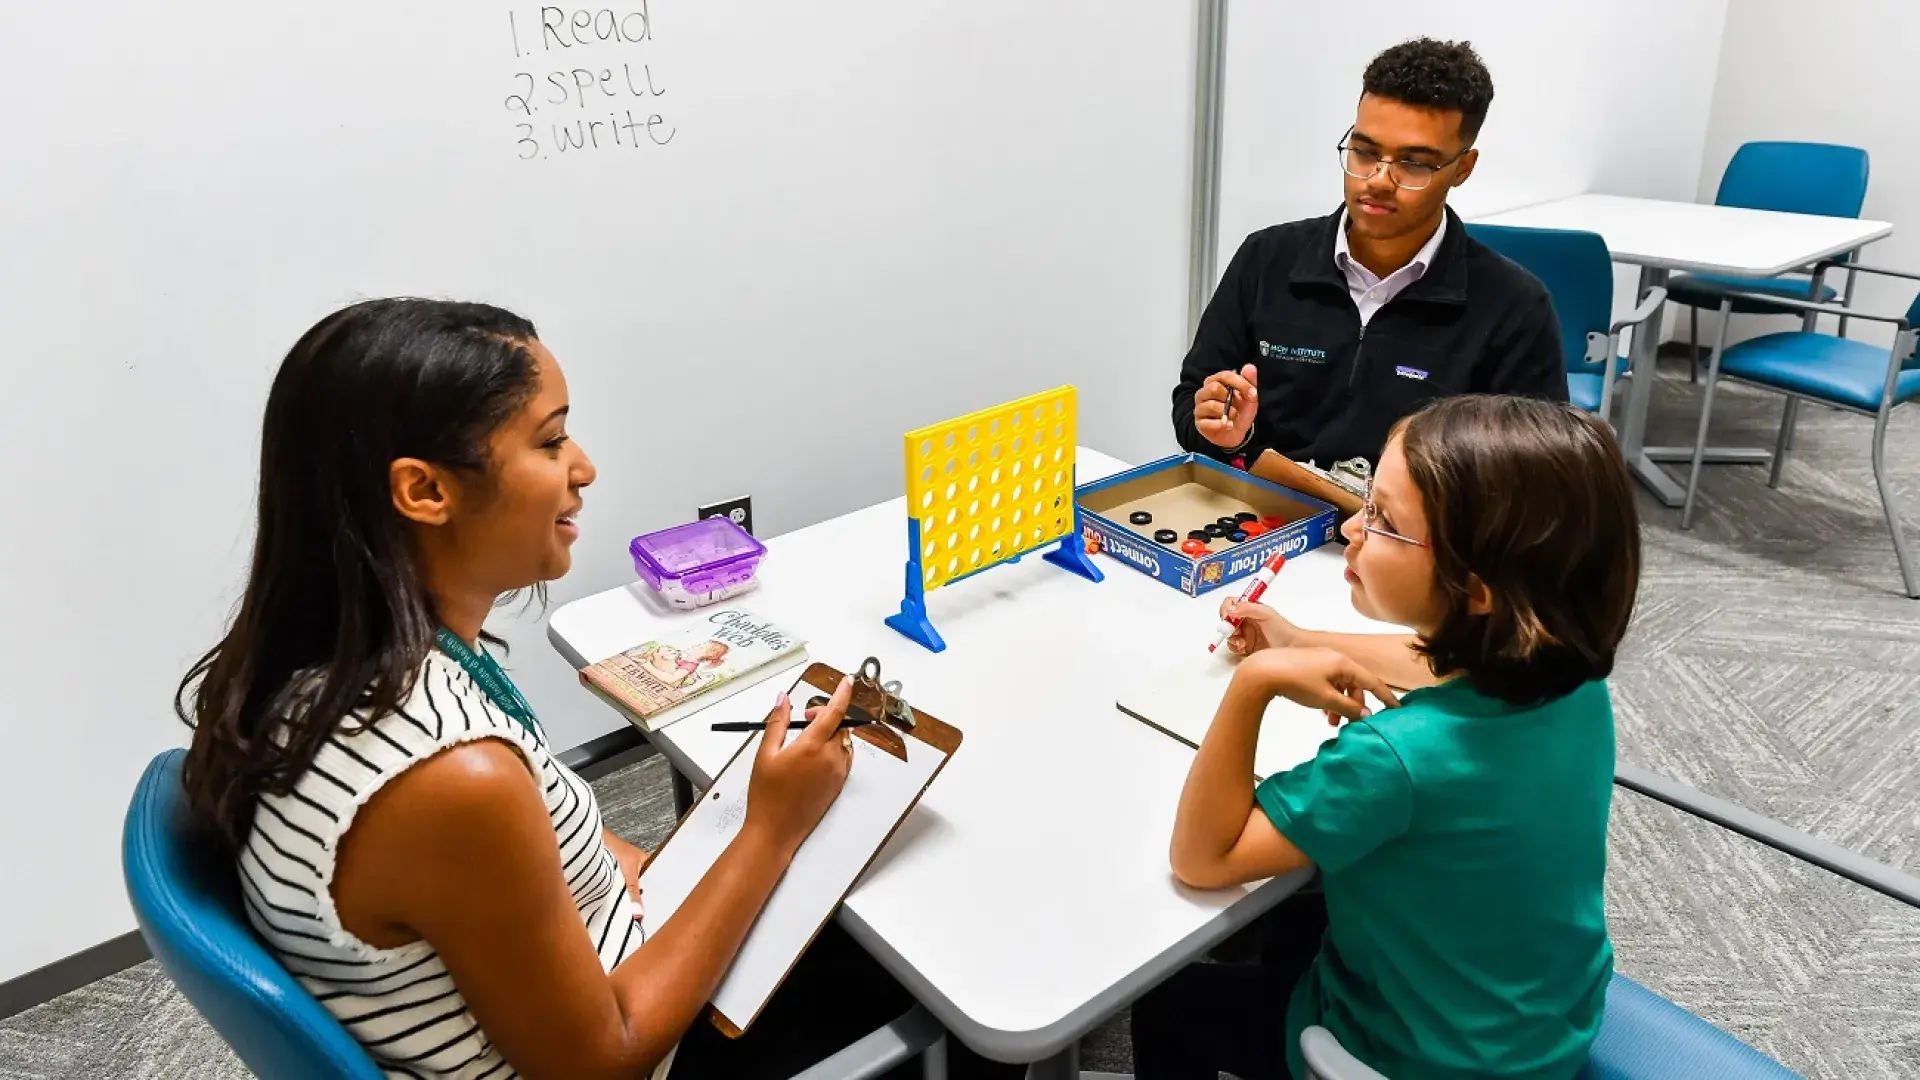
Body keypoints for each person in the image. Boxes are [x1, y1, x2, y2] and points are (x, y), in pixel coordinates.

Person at [176, 299, 1020, 1080]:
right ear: (424, 491)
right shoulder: (445, 779)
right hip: (637, 1048)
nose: (584, 468)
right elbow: (602, 1061)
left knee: (861, 907)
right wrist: (767, 831)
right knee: (971, 975)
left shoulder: (322, 666)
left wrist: (688, 870)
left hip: (607, 957)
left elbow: (540, 857)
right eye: (549, 443)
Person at [1133, 395, 1641, 1080]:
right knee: (1292, 915)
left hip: (1418, 1059)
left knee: (1169, 1000)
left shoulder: (1395, 758)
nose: (1351, 529)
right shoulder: (1568, 673)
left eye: (1383, 520)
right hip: (1544, 1020)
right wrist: (1298, 639)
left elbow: (1201, 857)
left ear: (1476, 587)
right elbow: (1432, 653)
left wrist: (1257, 682)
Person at [1172, 38, 1568, 476]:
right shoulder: (1267, 259)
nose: (1379, 180)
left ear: (1462, 168)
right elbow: (1191, 405)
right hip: (1268, 523)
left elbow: (1536, 480)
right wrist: (1224, 432)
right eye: (1364, 152)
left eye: (1414, 163)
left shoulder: (1514, 308)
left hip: (1411, 538)